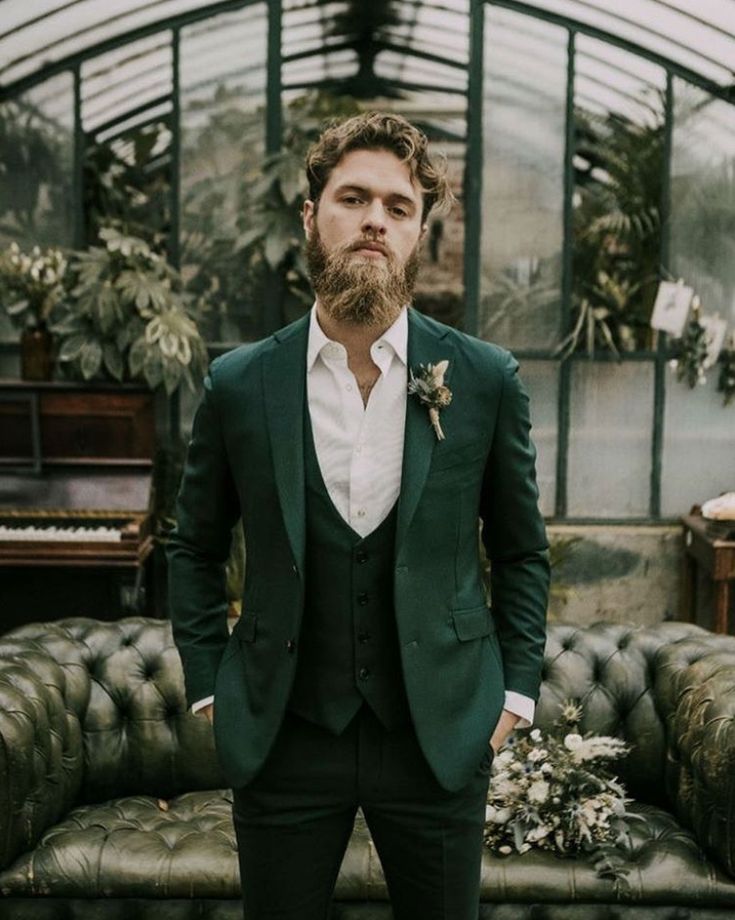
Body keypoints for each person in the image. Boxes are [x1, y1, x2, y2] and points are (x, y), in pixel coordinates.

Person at [167, 111, 549, 920]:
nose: (375, 219)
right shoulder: (239, 383)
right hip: (285, 733)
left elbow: (521, 553)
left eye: (398, 206)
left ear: (418, 233)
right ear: (311, 217)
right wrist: (213, 688)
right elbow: (192, 547)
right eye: (353, 197)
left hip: (439, 733)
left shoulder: (482, 378)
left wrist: (510, 698)